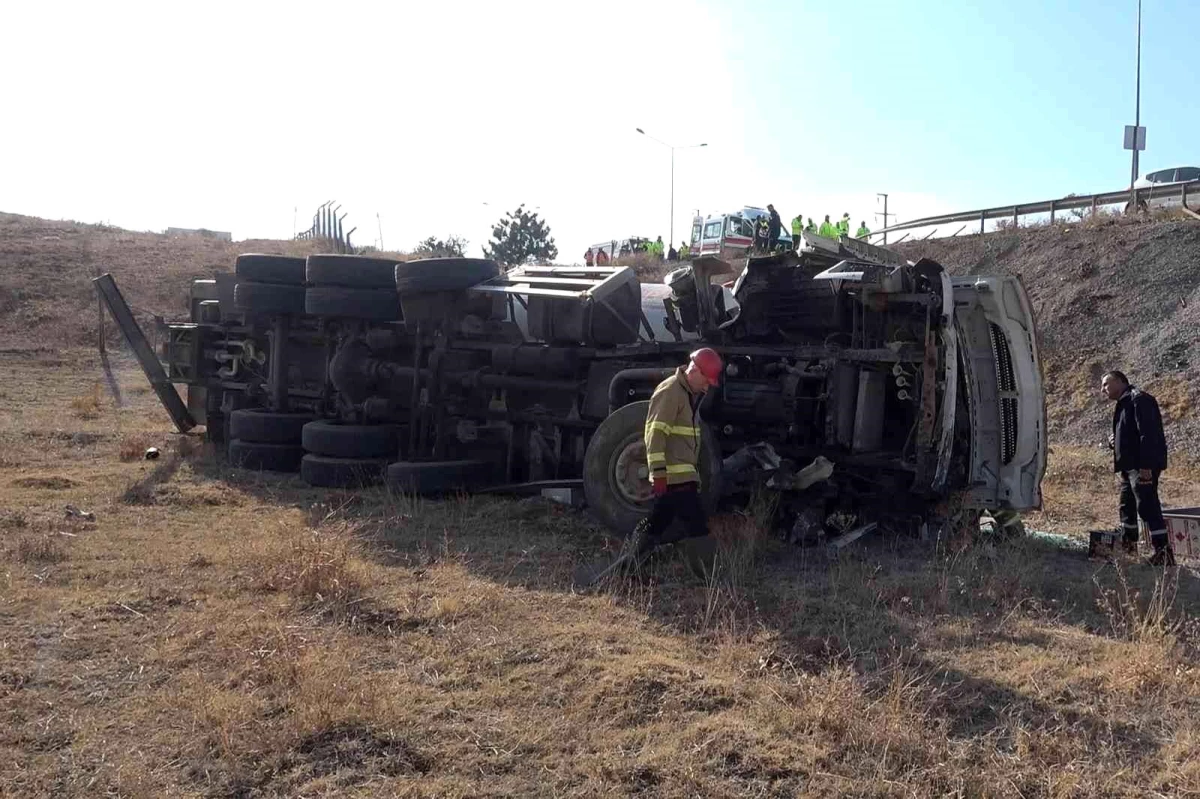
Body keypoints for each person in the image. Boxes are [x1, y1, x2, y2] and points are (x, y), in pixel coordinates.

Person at [626, 347, 724, 565]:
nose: (708, 386)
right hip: (672, 476)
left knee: (658, 521)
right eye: (707, 380)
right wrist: (658, 472)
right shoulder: (671, 391)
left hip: (680, 476)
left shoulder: (686, 395)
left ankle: (631, 563)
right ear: (695, 371)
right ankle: (709, 575)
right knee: (696, 525)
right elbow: (655, 433)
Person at [1102, 370, 1173, 565]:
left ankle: (1163, 553)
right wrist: (1114, 442)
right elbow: (1130, 435)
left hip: (1141, 466)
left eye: (1106, 384)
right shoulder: (1124, 403)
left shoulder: (1139, 400)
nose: (1103, 390)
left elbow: (1148, 435)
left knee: (1147, 506)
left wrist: (1146, 467)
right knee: (1127, 506)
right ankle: (1129, 548)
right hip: (1128, 466)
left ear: (1119, 381)